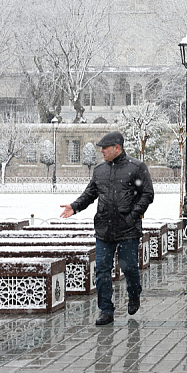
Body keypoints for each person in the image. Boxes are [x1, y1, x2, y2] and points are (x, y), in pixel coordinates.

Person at [60, 131, 154, 326]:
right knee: (102, 269)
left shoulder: (136, 167)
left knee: (129, 268)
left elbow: (147, 194)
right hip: (104, 229)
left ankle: (134, 294)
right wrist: (74, 206)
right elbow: (90, 193)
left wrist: (132, 216)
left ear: (117, 148)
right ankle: (106, 309)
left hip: (128, 229)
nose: (101, 151)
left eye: (105, 148)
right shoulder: (100, 170)